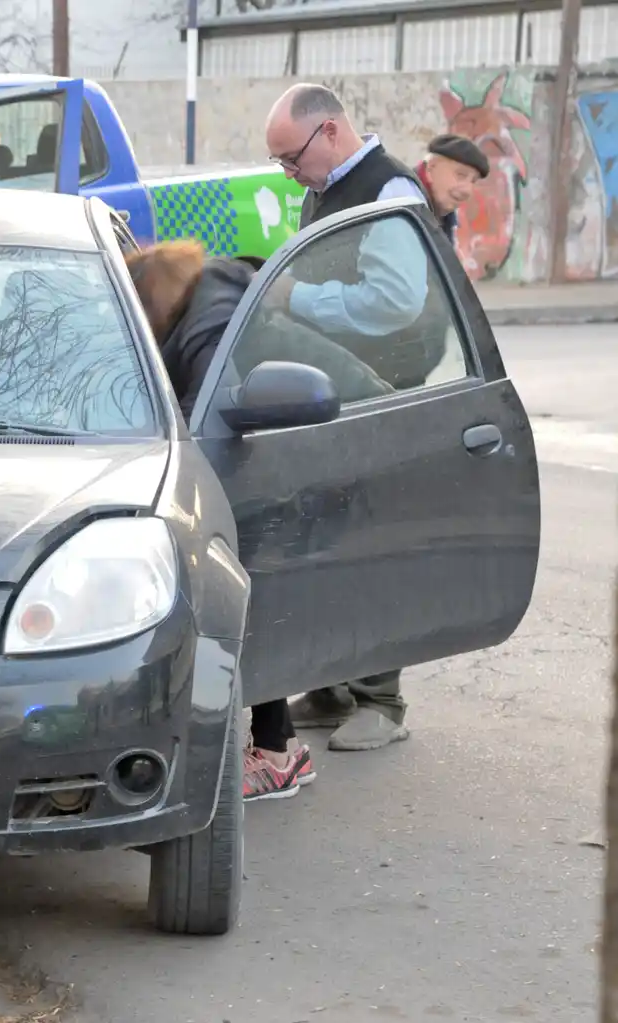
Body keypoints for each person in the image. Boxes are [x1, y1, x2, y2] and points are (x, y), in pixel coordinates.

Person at [264, 83, 431, 753]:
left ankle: (382, 701)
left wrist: (299, 300)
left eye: (289, 157)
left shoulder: (390, 191)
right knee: (326, 538)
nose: (287, 172)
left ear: (329, 130)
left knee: (368, 542)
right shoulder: (325, 186)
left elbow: (395, 302)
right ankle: (335, 681)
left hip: (383, 393)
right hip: (338, 391)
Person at [124, 239, 315, 802]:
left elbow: (208, 412)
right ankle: (282, 742)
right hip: (289, 445)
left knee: (245, 589)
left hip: (285, 458)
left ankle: (278, 753)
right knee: (249, 591)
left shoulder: (207, 321)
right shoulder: (213, 290)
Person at [415, 133, 489, 242]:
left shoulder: (443, 216)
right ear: (431, 168)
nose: (467, 190)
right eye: (461, 175)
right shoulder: (400, 203)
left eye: (473, 181)